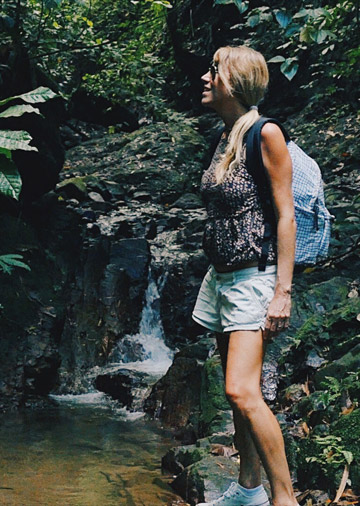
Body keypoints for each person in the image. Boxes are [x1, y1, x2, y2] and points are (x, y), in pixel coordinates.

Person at [191, 45, 297, 506]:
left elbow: (286, 215)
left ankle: (285, 498)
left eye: (214, 71)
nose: (205, 77)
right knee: (238, 397)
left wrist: (282, 292)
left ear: (235, 81)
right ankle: (248, 490)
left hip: (254, 278)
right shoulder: (226, 134)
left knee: (241, 389)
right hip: (221, 278)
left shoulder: (264, 133)